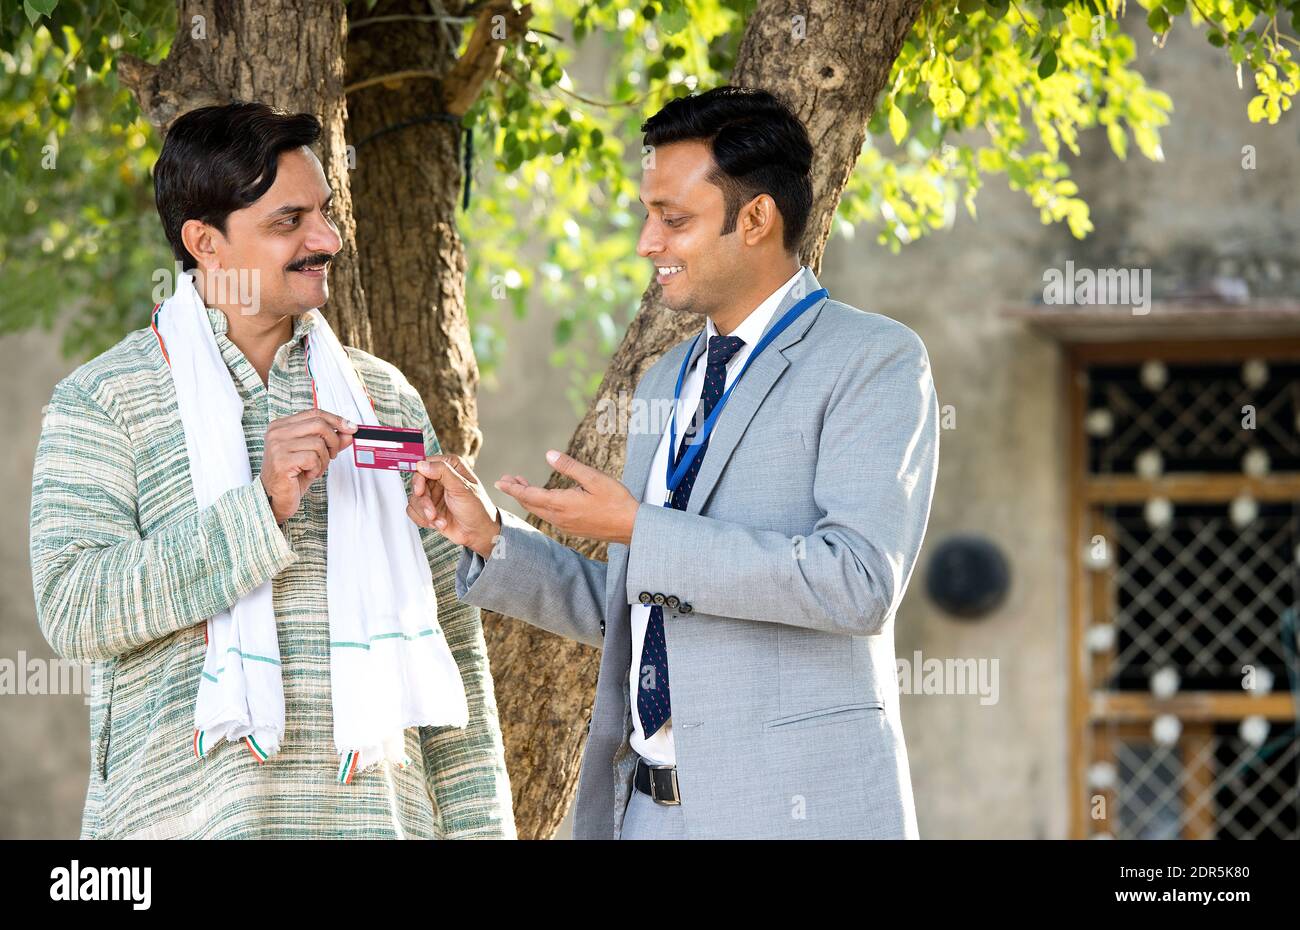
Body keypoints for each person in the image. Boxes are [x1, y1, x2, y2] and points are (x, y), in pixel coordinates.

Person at [412, 86, 940, 839]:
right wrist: (493, 540)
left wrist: (640, 529)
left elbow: (856, 583)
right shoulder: (666, 379)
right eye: (649, 214)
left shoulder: (873, 360)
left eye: (673, 218)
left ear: (755, 218)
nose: (646, 242)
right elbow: (642, 607)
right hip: (646, 814)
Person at [29, 102, 513, 839]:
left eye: (323, 212)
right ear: (205, 243)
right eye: (289, 222)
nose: (326, 239)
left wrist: (483, 830)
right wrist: (259, 509)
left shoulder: (382, 398)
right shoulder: (107, 399)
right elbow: (74, 606)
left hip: (378, 820)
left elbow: (452, 632)